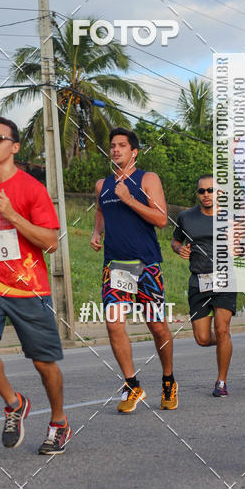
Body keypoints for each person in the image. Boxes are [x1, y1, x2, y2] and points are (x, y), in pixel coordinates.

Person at [0, 116, 72, 455]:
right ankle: (14, 403)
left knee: (43, 364)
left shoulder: (31, 189)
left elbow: (51, 242)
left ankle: (58, 422)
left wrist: (12, 215)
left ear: (15, 146)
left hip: (28, 286)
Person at [91, 127, 177, 411]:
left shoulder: (146, 179)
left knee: (157, 327)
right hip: (118, 266)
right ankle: (133, 386)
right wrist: (96, 232)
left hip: (147, 265)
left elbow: (162, 219)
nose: (115, 150)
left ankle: (168, 380)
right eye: (112, 145)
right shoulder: (102, 184)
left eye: (121, 146)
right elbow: (102, 210)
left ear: (134, 152)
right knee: (114, 325)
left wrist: (129, 198)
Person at [171, 175, 236, 396]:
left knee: (221, 327)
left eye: (211, 190)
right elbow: (175, 240)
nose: (206, 194)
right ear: (197, 193)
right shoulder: (186, 217)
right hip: (198, 280)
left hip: (226, 277)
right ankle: (225, 341)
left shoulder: (231, 217)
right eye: (202, 191)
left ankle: (221, 382)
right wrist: (179, 249)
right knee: (202, 338)